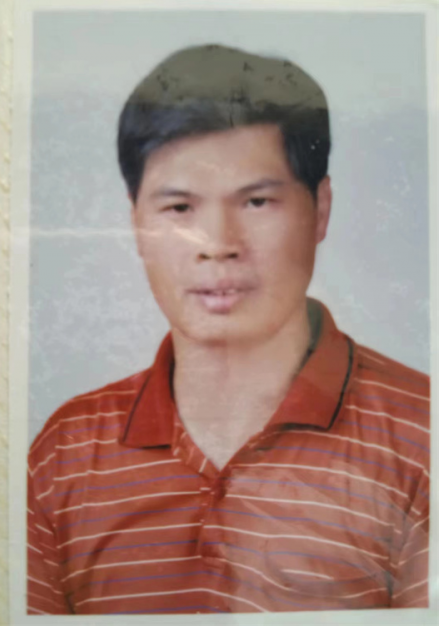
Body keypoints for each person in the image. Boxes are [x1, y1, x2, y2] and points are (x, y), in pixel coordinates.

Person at [27, 44, 430, 615]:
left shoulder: (424, 438)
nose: (217, 244)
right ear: (136, 221)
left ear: (321, 209)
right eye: (179, 209)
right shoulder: (65, 453)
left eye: (257, 201)